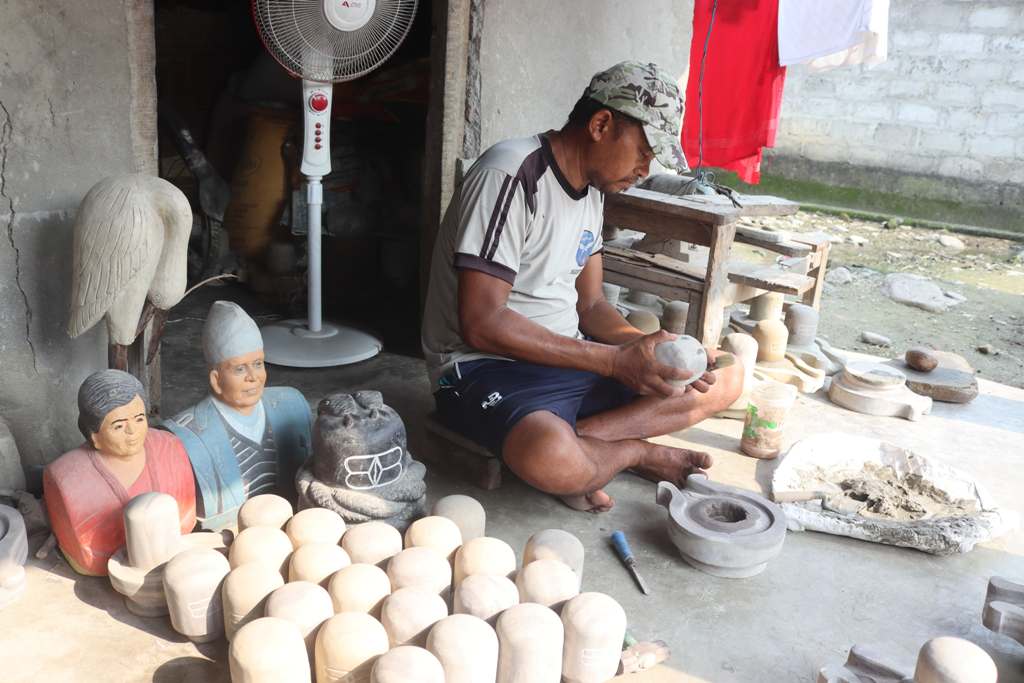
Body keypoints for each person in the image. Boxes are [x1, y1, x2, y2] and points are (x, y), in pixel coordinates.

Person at [421, 61, 744, 512]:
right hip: (483, 368)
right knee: (551, 456)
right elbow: (482, 322)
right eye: (643, 152)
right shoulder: (510, 174)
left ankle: (589, 444)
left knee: (727, 375)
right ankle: (633, 453)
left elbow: (590, 306)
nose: (644, 169)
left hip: (569, 358)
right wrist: (613, 362)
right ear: (600, 124)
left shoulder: (592, 192)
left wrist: (648, 350)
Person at [163, 300, 311, 530]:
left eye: (258, 364)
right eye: (240, 368)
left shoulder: (292, 405)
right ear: (216, 380)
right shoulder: (188, 435)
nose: (253, 377)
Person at [43, 370, 196, 576]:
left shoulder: (169, 447)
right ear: (94, 436)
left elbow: (185, 519)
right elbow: (89, 552)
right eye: (118, 426)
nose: (132, 431)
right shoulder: (65, 477)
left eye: (139, 419)